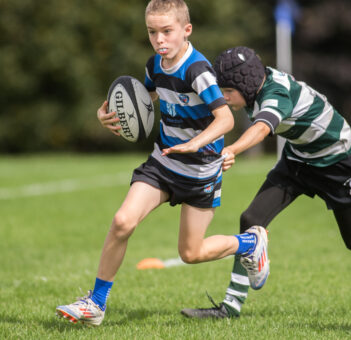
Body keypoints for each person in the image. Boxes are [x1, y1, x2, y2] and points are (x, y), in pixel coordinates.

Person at [180, 46, 351, 319]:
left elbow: (262, 128)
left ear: (247, 84)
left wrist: (232, 150)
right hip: (299, 159)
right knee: (251, 218)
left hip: (337, 161)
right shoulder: (253, 86)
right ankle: (230, 308)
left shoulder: (276, 95)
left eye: (228, 92)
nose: (224, 98)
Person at [55, 0, 269, 326]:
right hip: (163, 163)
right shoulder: (154, 65)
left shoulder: (198, 71)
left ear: (186, 30)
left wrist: (194, 144)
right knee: (123, 221)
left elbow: (225, 120)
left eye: (167, 31)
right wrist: (108, 112)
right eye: (152, 32)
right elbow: (145, 96)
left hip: (200, 171)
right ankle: (95, 304)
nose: (159, 40)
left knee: (191, 253)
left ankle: (250, 243)